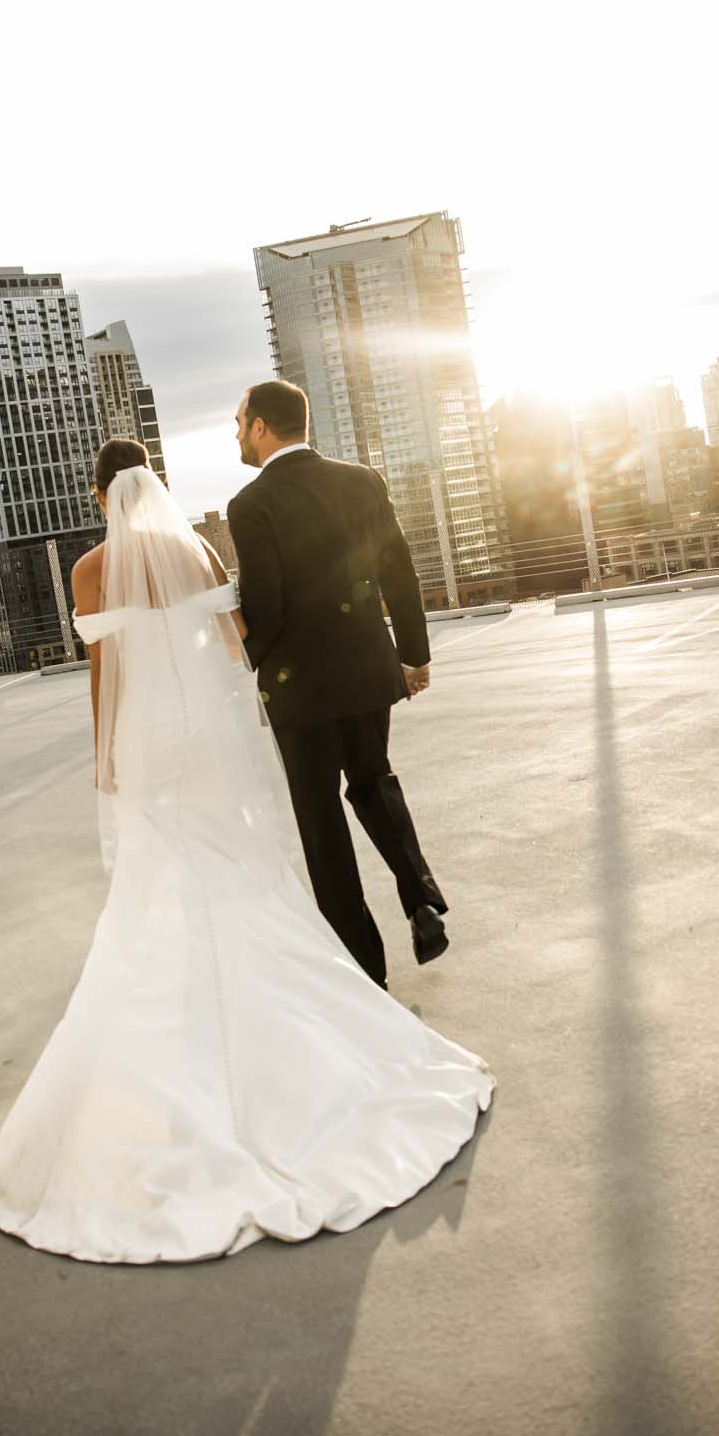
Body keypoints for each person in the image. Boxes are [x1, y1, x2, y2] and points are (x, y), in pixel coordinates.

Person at [0, 438, 493, 1265]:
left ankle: (184, 1022)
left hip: (147, 737)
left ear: (100, 494)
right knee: (241, 874)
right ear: (157, 488)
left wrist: (104, 751)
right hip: (207, 741)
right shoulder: (197, 548)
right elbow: (236, 640)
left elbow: (102, 670)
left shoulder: (88, 568)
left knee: (162, 882)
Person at [227, 379, 447, 989]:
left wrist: (244, 651)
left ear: (263, 427)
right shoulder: (361, 479)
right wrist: (413, 653)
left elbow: (267, 606)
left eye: (240, 423)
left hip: (300, 688)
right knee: (373, 778)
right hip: (368, 667)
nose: (237, 435)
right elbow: (397, 567)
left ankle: (365, 974)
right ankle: (422, 898)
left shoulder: (251, 505)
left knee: (321, 822)